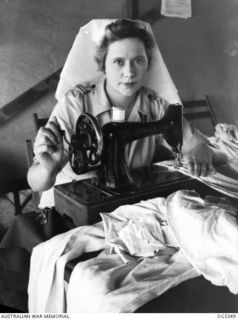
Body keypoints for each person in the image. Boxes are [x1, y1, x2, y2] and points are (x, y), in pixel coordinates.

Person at [28, 19, 216, 207]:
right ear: (103, 64)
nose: (129, 72)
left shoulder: (155, 106)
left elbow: (196, 144)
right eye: (118, 61)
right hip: (71, 206)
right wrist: (47, 170)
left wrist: (200, 152)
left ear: (147, 64)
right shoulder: (76, 104)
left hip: (127, 205)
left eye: (138, 61)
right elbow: (35, 183)